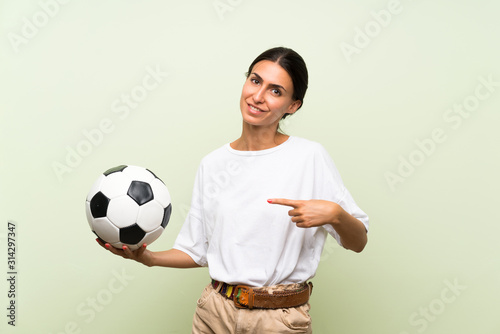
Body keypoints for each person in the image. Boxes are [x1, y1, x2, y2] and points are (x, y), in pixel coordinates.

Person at [98, 46, 369, 333]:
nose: (258, 96)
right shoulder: (213, 164)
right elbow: (197, 250)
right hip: (215, 313)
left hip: (278, 320)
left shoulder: (309, 157)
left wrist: (335, 215)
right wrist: (148, 258)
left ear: (293, 105)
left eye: (276, 91)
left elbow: (359, 241)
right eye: (255, 80)